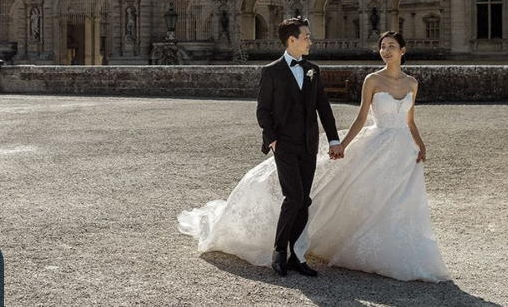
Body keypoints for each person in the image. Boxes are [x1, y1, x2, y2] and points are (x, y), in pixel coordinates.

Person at [178, 30, 450, 283]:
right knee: (354, 195)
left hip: (404, 148)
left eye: (391, 46)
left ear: (403, 50)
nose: (385, 50)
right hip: (375, 143)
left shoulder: (412, 83)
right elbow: (361, 118)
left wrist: (421, 145)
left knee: (401, 201)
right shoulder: (372, 80)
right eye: (382, 46)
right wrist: (340, 143)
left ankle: (397, 250)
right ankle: (286, 251)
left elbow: (410, 119)